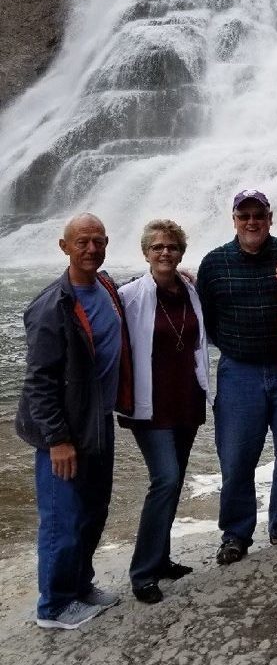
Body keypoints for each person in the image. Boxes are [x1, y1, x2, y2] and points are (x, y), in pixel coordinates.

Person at [15, 213, 133, 629]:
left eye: (98, 241)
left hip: (97, 420)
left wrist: (179, 275)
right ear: (64, 247)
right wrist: (57, 440)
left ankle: (80, 585)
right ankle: (54, 607)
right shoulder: (51, 306)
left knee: (92, 509)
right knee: (61, 518)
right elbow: (39, 383)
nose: (91, 249)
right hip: (63, 431)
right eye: (81, 242)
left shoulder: (105, 286)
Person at [197, 190, 277, 564]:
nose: (251, 222)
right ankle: (235, 534)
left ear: (269, 217)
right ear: (234, 219)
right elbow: (206, 321)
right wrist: (235, 345)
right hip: (238, 371)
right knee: (236, 457)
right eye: (244, 215)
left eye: (258, 215)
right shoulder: (214, 264)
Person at [118, 219, 211, 603]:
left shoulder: (190, 289)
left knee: (174, 481)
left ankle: (161, 559)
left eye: (171, 247)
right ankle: (142, 572)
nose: (165, 253)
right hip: (149, 405)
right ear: (145, 253)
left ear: (181, 253)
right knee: (166, 479)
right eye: (157, 247)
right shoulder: (128, 295)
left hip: (186, 399)